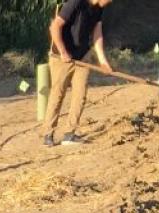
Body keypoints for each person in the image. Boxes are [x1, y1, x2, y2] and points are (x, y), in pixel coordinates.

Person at [43, 0, 115, 147]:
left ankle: (69, 134)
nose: (110, 2)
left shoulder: (99, 9)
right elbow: (55, 26)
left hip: (82, 56)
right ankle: (48, 133)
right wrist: (63, 51)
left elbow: (97, 33)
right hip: (61, 57)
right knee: (58, 94)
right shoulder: (75, 3)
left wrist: (103, 60)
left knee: (80, 95)